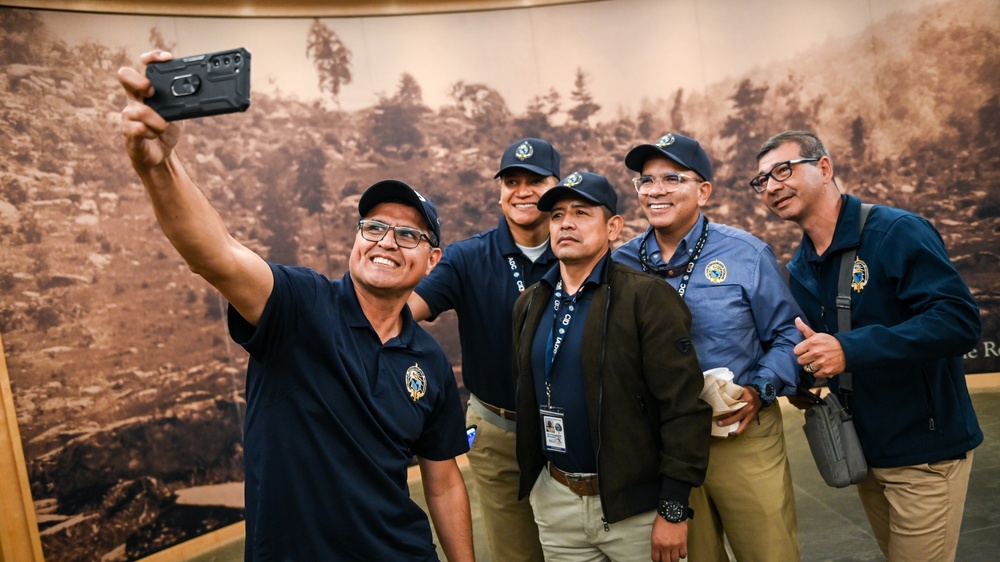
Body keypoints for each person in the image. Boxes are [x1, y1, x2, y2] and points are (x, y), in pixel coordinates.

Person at [117, 50, 474, 562]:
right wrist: (159, 166)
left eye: (407, 235)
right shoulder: (299, 306)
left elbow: (441, 483)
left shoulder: (429, 362)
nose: (386, 242)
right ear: (357, 239)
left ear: (432, 259)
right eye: (373, 227)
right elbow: (216, 254)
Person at [753, 130, 983, 562]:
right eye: (761, 180)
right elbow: (818, 344)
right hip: (863, 452)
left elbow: (959, 321)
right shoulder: (801, 265)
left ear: (824, 168)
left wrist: (848, 350)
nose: (771, 186)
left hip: (924, 454)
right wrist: (806, 375)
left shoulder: (896, 231)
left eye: (783, 170)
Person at [613, 133, 803, 561]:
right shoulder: (620, 264)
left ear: (703, 192)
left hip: (742, 437)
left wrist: (759, 389)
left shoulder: (746, 254)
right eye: (646, 181)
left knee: (769, 552)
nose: (656, 190)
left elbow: (790, 335)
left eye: (672, 178)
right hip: (667, 449)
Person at [512, 171, 711, 562]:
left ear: (613, 227)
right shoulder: (530, 304)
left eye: (582, 212)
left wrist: (673, 508)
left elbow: (683, 408)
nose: (566, 223)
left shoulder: (647, 298)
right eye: (556, 215)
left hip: (635, 509)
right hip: (558, 504)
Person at [408, 138, 560, 562]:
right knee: (516, 552)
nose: (523, 190)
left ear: (558, 186)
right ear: (499, 191)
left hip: (577, 430)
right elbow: (405, 311)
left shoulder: (580, 250)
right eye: (512, 181)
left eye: (536, 180)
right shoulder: (466, 258)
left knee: (580, 548)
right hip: (499, 430)